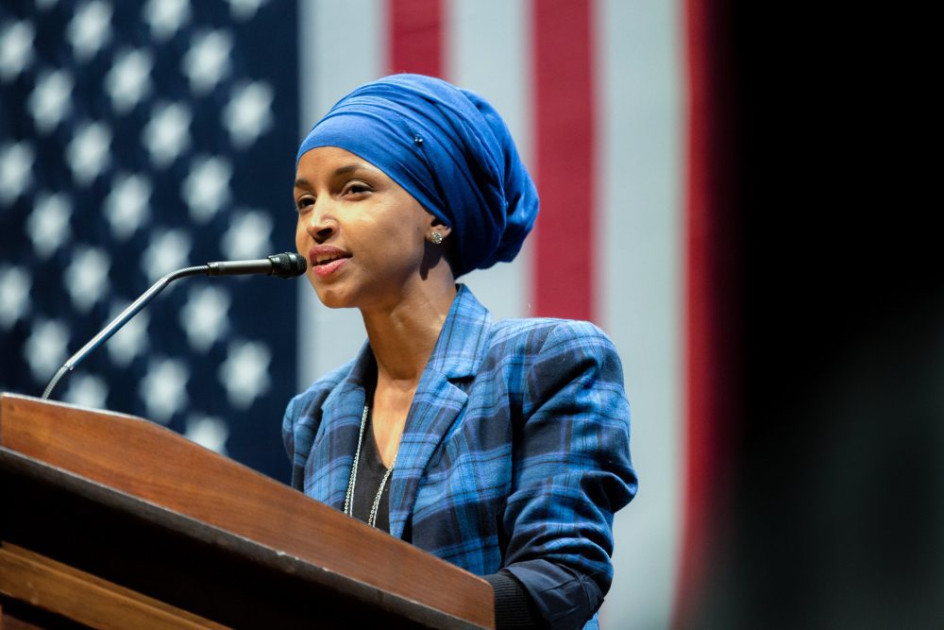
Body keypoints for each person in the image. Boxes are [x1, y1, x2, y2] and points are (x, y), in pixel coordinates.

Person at [282, 74, 637, 630]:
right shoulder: (313, 416)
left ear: (438, 217)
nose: (317, 222)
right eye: (305, 201)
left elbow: (563, 581)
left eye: (354, 189)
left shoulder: (550, 361)